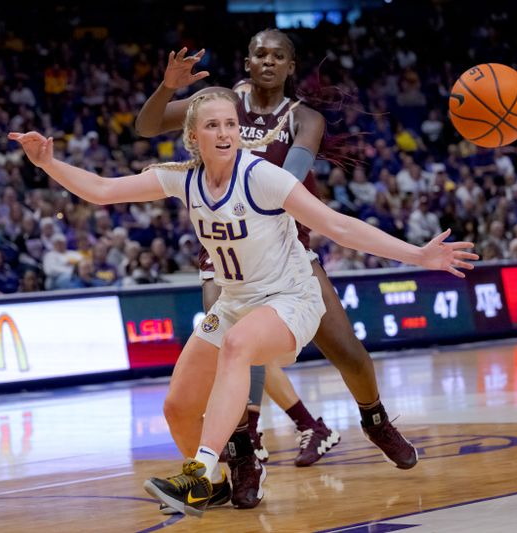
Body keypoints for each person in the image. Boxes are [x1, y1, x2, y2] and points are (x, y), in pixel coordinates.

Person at [9, 90, 478, 518]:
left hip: (290, 297)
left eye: (231, 124)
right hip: (237, 300)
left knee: (238, 346)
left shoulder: (262, 177)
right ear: (193, 135)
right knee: (177, 406)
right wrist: (47, 162)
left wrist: (418, 255)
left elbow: (340, 226)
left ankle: (200, 473)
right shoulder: (184, 180)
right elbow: (104, 191)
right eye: (212, 125)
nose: (225, 133)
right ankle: (225, 478)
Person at [137, 31, 422, 487]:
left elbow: (286, 180)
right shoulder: (222, 104)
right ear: (247, 61)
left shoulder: (302, 118)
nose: (267, 61)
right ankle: (245, 457)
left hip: (284, 245)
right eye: (259, 54)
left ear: (291, 67)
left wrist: (240, 179)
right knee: (237, 346)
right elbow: (147, 126)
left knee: (347, 352)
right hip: (227, 249)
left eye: (278, 56)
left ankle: (374, 421)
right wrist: (168, 86)